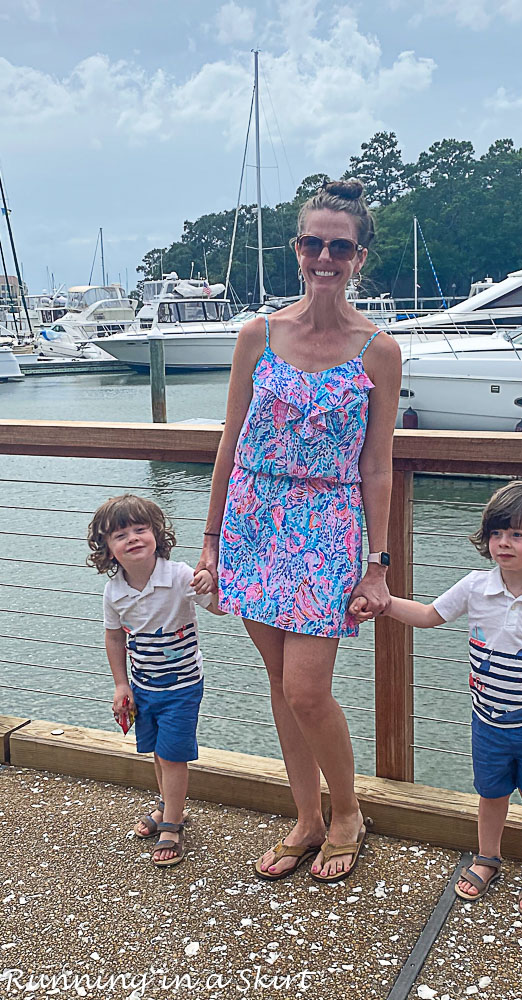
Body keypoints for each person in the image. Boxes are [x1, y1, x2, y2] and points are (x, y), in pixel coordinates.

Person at [195, 179, 402, 884]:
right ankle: (306, 818)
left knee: (308, 689)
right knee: (281, 685)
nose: (323, 256)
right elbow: (230, 441)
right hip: (253, 522)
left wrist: (377, 563)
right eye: (312, 243)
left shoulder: (377, 349)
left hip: (328, 527)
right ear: (296, 249)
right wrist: (212, 542)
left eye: (338, 246)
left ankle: (347, 814)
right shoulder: (258, 334)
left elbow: (377, 468)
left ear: (358, 256)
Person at [351, 480, 522, 916]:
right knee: (490, 794)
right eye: (497, 533)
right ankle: (487, 857)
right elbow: (427, 615)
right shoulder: (476, 586)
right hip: (488, 723)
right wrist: (382, 603)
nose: (503, 543)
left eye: (517, 534)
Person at [87, 494, 225, 868]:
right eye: (120, 535)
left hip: (182, 687)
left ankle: (173, 824)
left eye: (140, 529)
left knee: (173, 755)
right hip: (143, 686)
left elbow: (218, 606)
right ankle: (168, 804)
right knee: (156, 752)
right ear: (107, 550)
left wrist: (209, 584)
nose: (132, 538)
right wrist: (121, 684)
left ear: (156, 535)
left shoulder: (178, 575)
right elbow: (114, 636)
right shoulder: (114, 591)